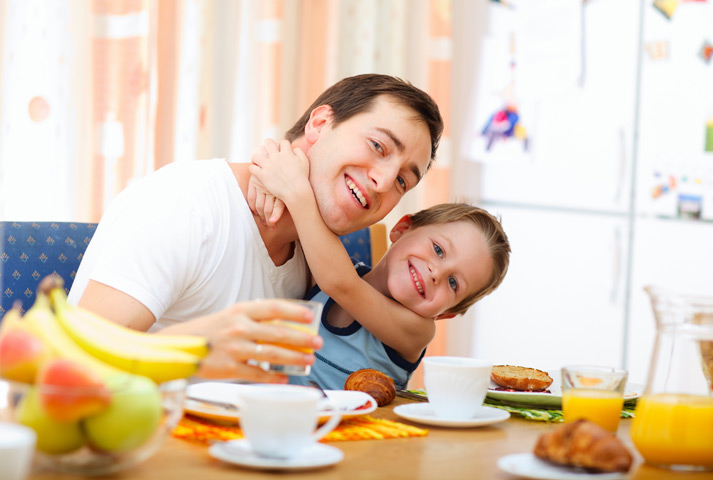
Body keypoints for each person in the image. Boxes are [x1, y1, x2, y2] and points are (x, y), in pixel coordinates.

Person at [68, 74, 444, 381]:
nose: (383, 181)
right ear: (320, 123)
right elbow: (74, 361)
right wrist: (193, 351)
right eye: (378, 146)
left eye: (402, 183)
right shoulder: (186, 205)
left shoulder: (314, 256)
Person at [249, 139, 511, 390]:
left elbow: (342, 285)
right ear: (402, 228)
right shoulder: (324, 270)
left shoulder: (417, 331)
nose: (437, 273)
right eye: (438, 250)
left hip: (357, 434)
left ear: (445, 313)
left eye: (453, 283)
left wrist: (295, 190)